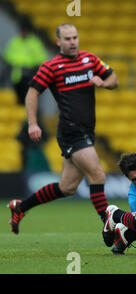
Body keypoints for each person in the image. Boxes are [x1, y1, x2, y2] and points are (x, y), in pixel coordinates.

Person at [7, 23, 119, 238]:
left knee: (67, 187)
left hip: (87, 131)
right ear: (58, 41)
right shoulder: (52, 66)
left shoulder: (90, 59)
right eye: (67, 39)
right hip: (70, 131)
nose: (72, 42)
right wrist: (33, 123)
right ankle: (110, 228)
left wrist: (104, 83)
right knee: (97, 174)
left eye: (75, 37)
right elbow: (32, 92)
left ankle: (21, 207)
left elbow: (113, 78)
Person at [3, 15, 49, 170]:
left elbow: (39, 64)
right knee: (23, 107)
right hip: (17, 82)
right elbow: (8, 63)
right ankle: (27, 127)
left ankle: (34, 128)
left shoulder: (35, 44)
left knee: (32, 107)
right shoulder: (14, 42)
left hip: (31, 81)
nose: (22, 32)